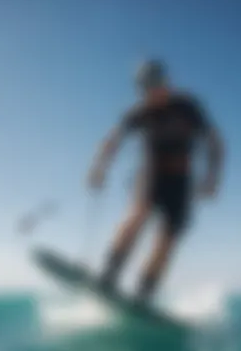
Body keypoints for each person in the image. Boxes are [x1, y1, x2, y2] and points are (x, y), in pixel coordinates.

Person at [87, 59, 225, 305]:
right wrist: (98, 168)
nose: (154, 92)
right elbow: (113, 140)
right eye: (147, 88)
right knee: (138, 212)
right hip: (151, 174)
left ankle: (144, 292)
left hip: (181, 181)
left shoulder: (188, 107)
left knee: (168, 239)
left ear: (166, 81)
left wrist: (212, 177)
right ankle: (108, 276)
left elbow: (215, 143)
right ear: (141, 90)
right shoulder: (140, 112)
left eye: (157, 84)